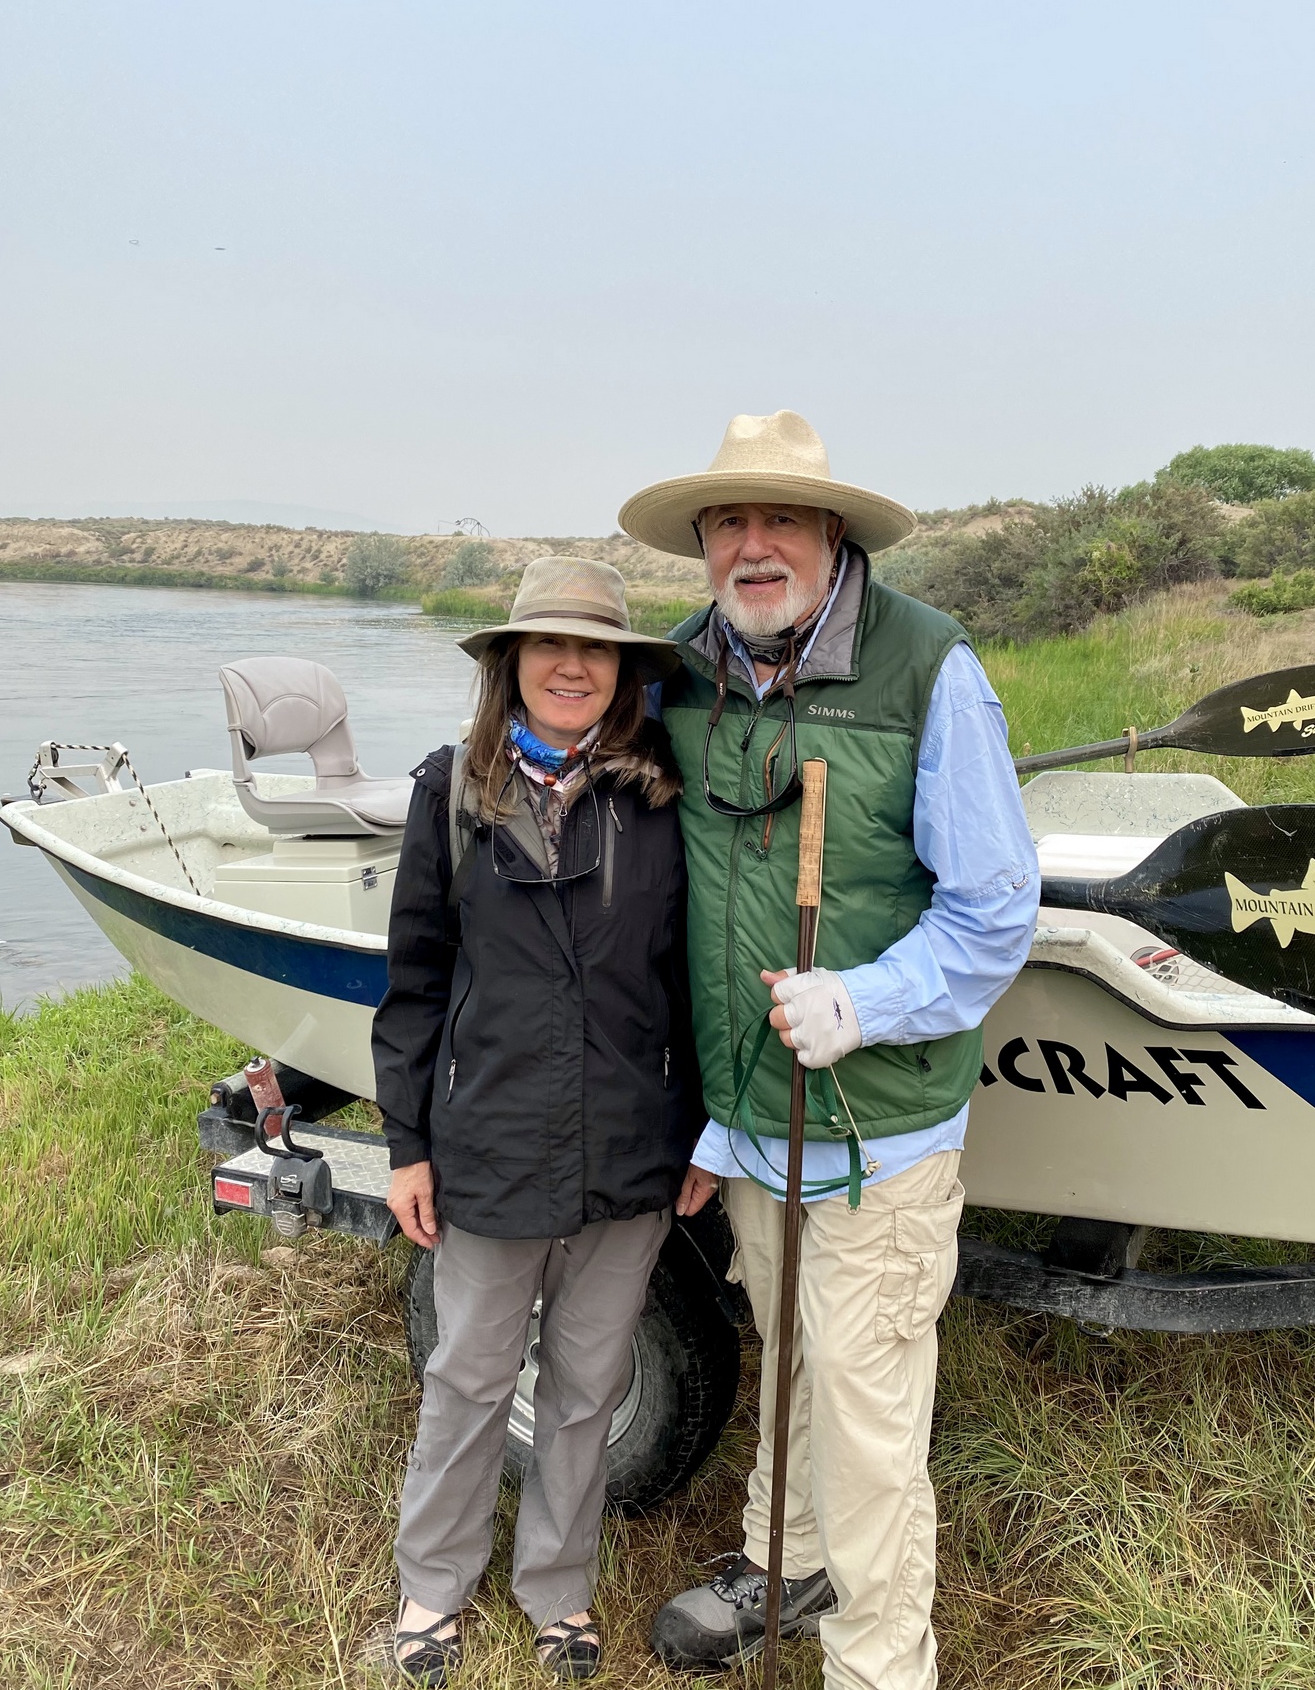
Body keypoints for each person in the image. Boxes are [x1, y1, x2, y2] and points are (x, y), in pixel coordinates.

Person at [618, 412, 1040, 1690]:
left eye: (781, 521)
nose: (754, 547)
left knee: (865, 1421)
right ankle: (780, 1558)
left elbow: (995, 907)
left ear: (831, 536)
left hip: (880, 1129)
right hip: (750, 1118)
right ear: (703, 548)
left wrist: (863, 1001)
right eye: (727, 525)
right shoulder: (682, 670)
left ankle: (877, 1663)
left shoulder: (930, 669)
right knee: (791, 1347)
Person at [372, 556, 700, 1685]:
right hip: (491, 1146)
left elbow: (691, 985)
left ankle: (557, 1594)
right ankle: (432, 1588)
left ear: (622, 673)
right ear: (510, 663)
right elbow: (414, 981)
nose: (572, 665)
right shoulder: (449, 793)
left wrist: (700, 1130)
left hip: (629, 1151)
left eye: (596, 649)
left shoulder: (663, 804)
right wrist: (408, 1145)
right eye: (550, 645)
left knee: (585, 1387)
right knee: (469, 1379)